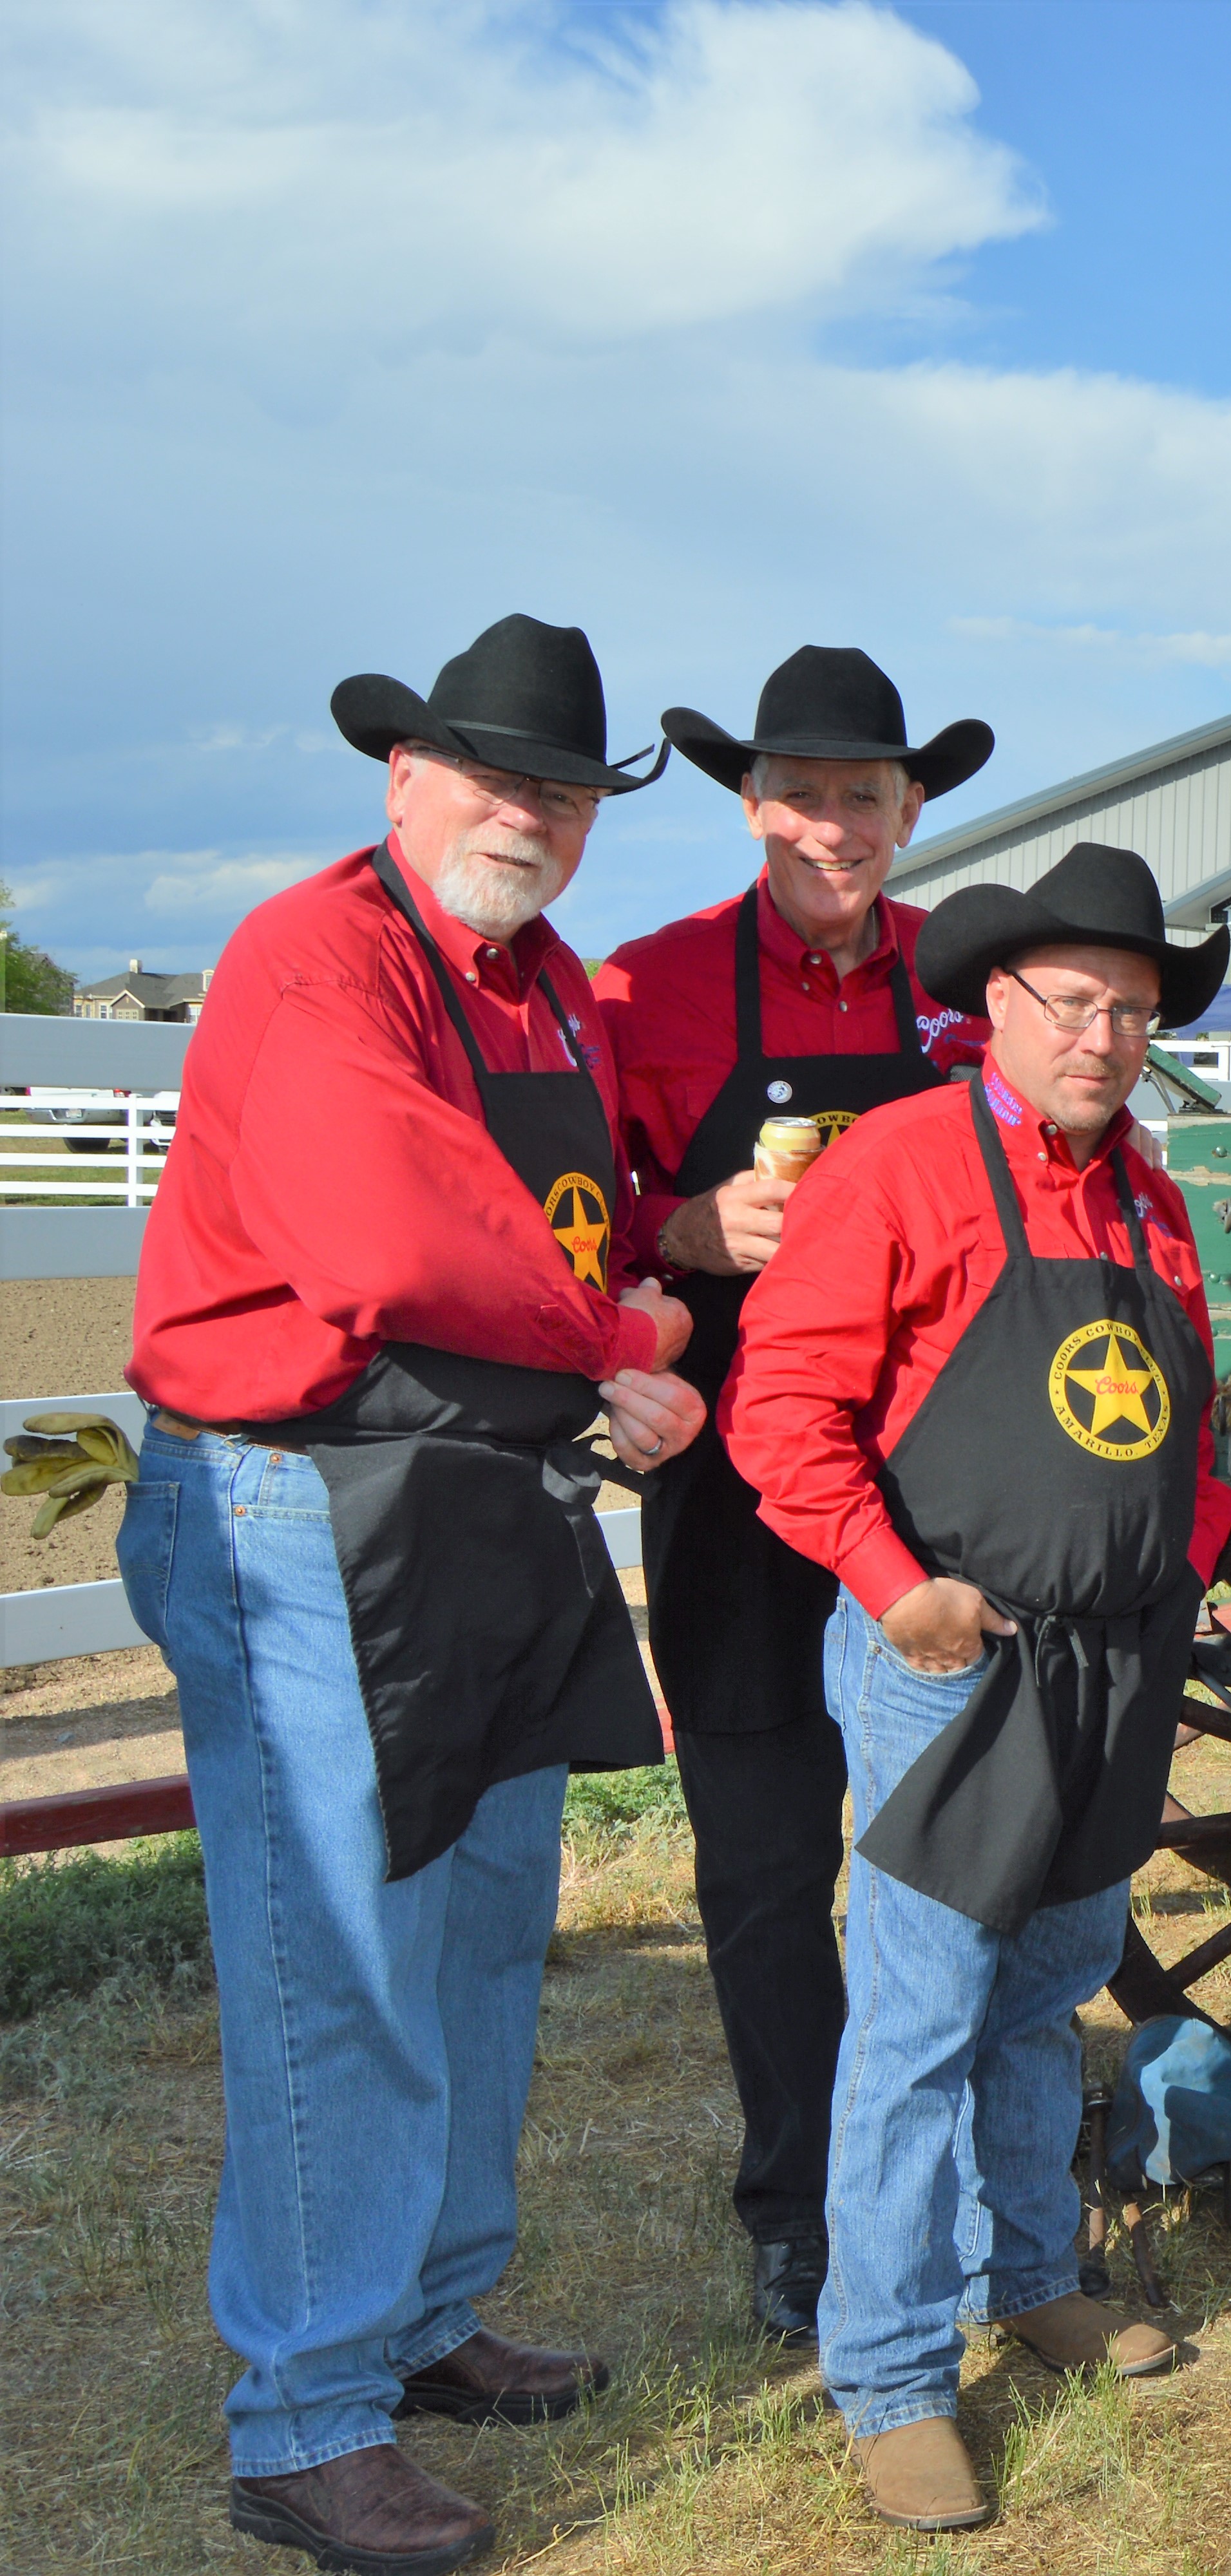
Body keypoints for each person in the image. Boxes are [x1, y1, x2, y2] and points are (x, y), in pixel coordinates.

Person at [119, 616, 703, 2575]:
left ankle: (430, 2309)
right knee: (341, 1966)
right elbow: (387, 1225)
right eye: (492, 776)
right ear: (402, 777)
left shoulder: (554, 991)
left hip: (478, 1493)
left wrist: (655, 1272)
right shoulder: (320, 954)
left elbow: (580, 1211)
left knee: (475, 1934)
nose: (525, 814)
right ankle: (302, 2414)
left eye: (558, 788)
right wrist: (614, 1328)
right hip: (302, 1499)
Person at [725, 843, 1231, 2532]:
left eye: (1134, 1008)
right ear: (998, 1005)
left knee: (1049, 1994)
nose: (1103, 1033)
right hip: (956, 1667)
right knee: (922, 2024)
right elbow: (780, 1421)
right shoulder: (901, 1166)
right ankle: (889, 2374)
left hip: (1114, 1671)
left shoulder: (1153, 1195)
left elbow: (1191, 1430)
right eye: (1073, 1000)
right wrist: (898, 1589)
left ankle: (1033, 2278)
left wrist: (1188, 1555)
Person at [594, 646, 991, 2347]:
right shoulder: (646, 989)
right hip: (746, 1484)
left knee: (956, 1847)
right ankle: (801, 2203)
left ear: (912, 811)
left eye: (867, 797)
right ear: (751, 804)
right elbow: (563, 1220)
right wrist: (683, 1230)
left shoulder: (970, 982)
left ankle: (965, 2174)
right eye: (805, 795)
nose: (837, 826)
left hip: (940, 1477)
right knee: (764, 1866)